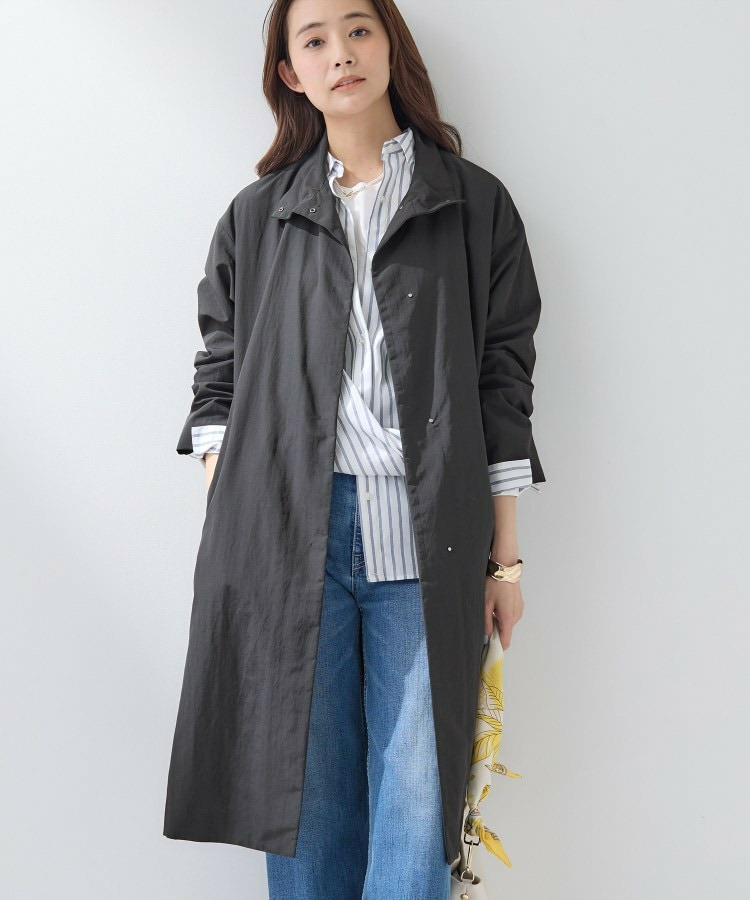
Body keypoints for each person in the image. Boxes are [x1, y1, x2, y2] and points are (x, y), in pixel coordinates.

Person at [163, 1, 545, 897]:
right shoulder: (259, 217)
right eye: (315, 40)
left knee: (416, 825)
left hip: (426, 540)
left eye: (359, 29)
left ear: (389, 43)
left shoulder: (472, 203)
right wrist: (238, 505)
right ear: (290, 73)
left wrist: (506, 560)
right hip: (287, 544)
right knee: (305, 818)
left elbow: (503, 383)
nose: (342, 53)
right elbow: (217, 376)